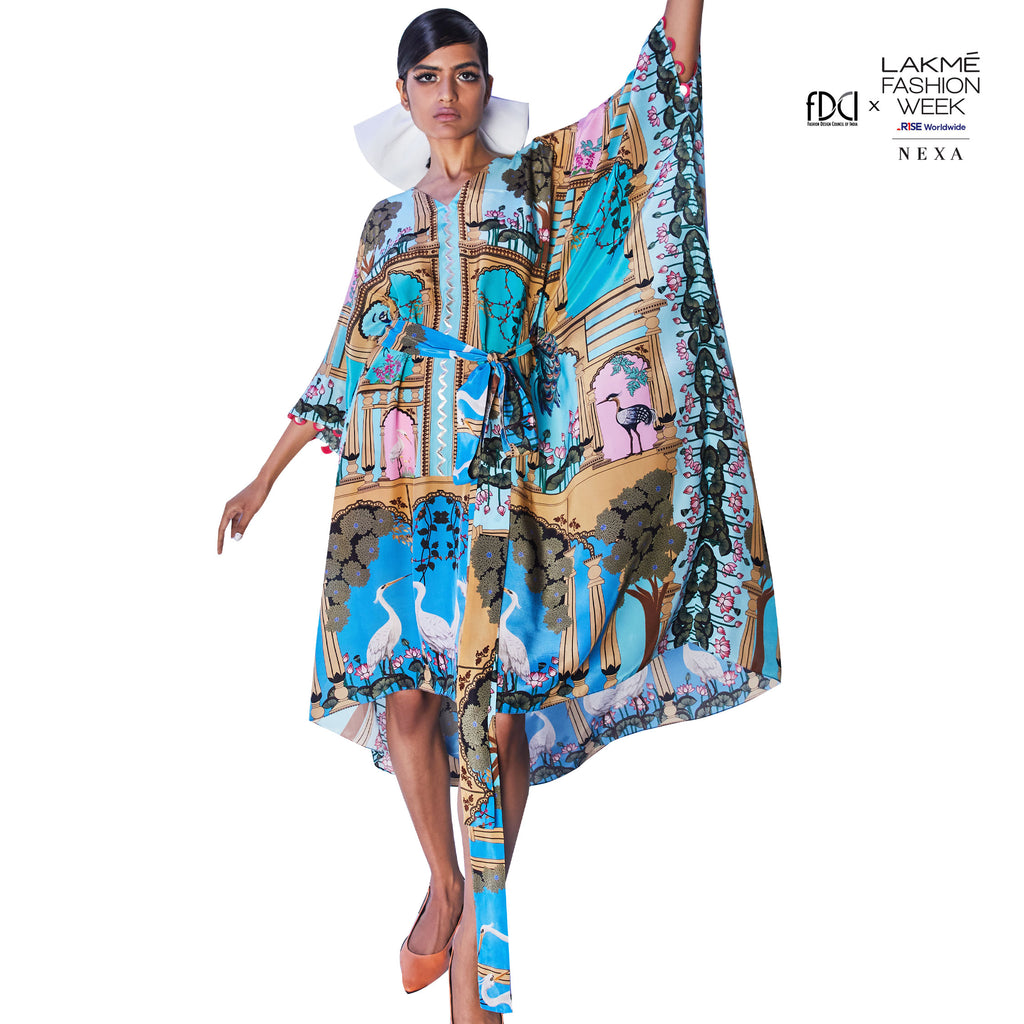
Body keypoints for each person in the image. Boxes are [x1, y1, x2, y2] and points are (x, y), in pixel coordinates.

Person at [218, 2, 783, 1020]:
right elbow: (345, 354)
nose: (448, 94)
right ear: (402, 95)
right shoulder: (383, 223)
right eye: (428, 78)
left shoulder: (536, 185)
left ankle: (475, 939)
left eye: (466, 74)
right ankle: (447, 887)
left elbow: (650, 114)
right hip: (393, 486)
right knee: (406, 697)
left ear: (487, 84)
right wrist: (264, 476)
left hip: (504, 480)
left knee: (505, 704)